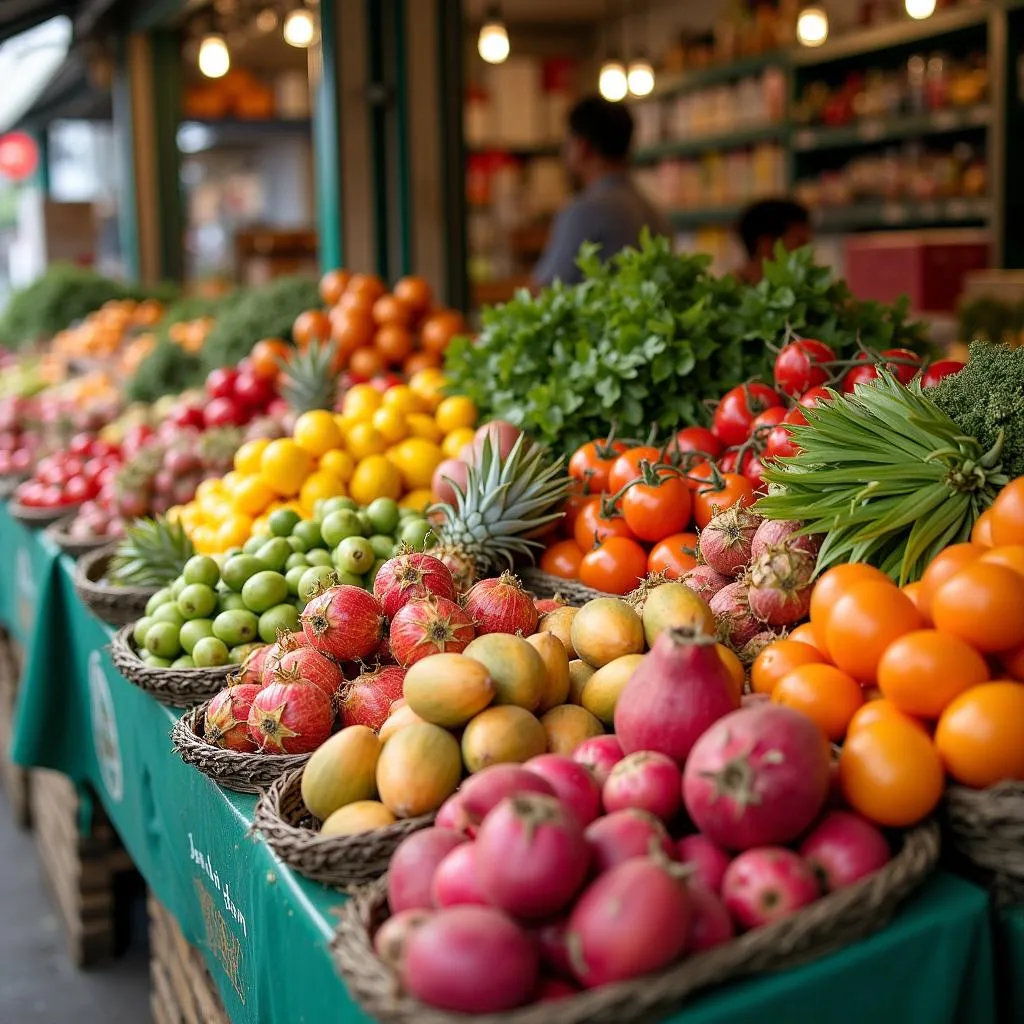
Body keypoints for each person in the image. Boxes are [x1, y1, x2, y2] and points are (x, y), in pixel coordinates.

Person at [532, 96, 671, 289]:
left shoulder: (583, 211)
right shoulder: (652, 210)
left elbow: (544, 288)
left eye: (567, 141)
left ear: (582, 146)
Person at [735, 199, 812, 285]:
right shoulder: (732, 294)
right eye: (801, 243)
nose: (809, 252)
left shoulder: (806, 290)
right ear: (766, 244)